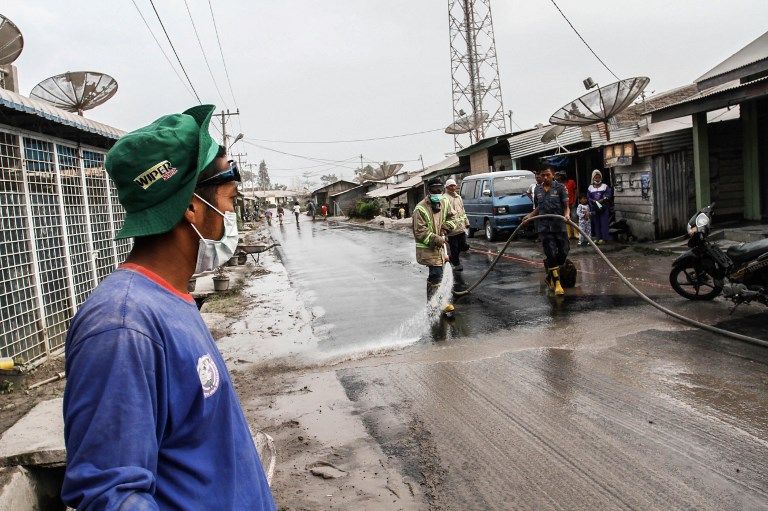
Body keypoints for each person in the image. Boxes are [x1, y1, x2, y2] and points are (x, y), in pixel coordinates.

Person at [61, 105, 275, 510]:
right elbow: (112, 496)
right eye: (229, 202)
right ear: (192, 207)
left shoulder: (170, 300)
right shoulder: (124, 326)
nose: (232, 217)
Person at [523, 166, 570, 296]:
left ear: (553, 175)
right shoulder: (537, 189)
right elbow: (539, 207)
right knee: (550, 254)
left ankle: (549, 276)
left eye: (547, 175)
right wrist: (530, 216)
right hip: (544, 227)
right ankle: (557, 283)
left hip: (559, 225)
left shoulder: (560, 188)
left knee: (564, 251)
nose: (545, 178)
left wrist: (567, 215)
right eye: (543, 175)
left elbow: (566, 206)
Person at [412, 178, 457, 301]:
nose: (437, 192)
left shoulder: (445, 202)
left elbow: (453, 218)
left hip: (440, 248)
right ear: (428, 190)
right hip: (428, 249)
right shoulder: (420, 208)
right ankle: (434, 304)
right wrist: (436, 239)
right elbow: (419, 231)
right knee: (436, 274)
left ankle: (437, 301)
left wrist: (446, 228)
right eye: (434, 189)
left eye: (439, 189)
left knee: (439, 274)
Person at [443, 178, 469, 272]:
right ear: (447, 187)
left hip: (461, 227)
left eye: (454, 185)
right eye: (451, 186)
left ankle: (451, 258)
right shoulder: (444, 198)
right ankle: (456, 263)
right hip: (452, 229)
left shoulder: (458, 197)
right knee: (454, 247)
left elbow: (463, 211)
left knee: (463, 246)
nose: (453, 187)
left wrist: (466, 222)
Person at [588, 169, 612, 243]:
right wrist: (593, 201)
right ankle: (598, 238)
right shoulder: (590, 188)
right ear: (593, 178)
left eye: (599, 177)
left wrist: (602, 200)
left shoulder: (605, 186)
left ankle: (604, 239)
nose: (597, 179)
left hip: (603, 207)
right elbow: (588, 197)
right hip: (594, 208)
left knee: (604, 223)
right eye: (596, 177)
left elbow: (608, 195)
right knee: (596, 223)